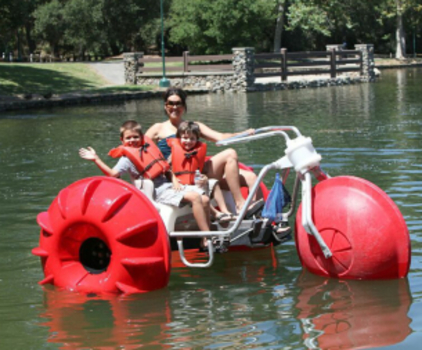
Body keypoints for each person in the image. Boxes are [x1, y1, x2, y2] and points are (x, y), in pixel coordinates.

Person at [79, 120, 212, 248]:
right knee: (195, 197)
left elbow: (165, 168)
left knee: (205, 199)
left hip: (169, 186)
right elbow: (113, 174)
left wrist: (174, 180)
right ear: (122, 141)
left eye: (135, 137)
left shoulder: (148, 148)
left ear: (142, 137)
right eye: (128, 138)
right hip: (157, 192)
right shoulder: (126, 159)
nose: (132, 140)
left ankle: (204, 238)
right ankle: (207, 237)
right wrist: (96, 159)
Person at [145, 87, 264, 217]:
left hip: (199, 174)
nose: (174, 107)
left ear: (184, 106)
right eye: (170, 103)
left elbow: (221, 137)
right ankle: (240, 204)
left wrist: (243, 133)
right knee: (230, 153)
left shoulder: (194, 127)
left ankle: (260, 220)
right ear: (165, 106)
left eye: (178, 103)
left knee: (251, 177)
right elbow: (141, 151)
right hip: (176, 177)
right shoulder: (157, 128)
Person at [169, 120, 236, 224]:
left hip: (195, 183)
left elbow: (199, 170)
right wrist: (175, 182)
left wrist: (204, 177)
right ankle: (217, 214)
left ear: (197, 139)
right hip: (182, 186)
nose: (188, 141)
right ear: (179, 137)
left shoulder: (197, 152)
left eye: (192, 139)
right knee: (199, 194)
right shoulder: (173, 152)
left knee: (214, 183)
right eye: (185, 138)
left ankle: (225, 211)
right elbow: (167, 169)